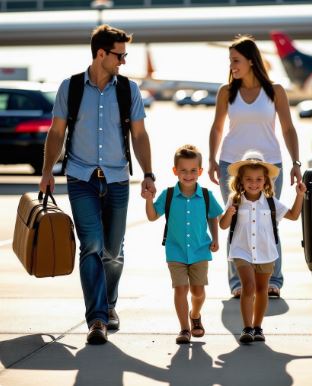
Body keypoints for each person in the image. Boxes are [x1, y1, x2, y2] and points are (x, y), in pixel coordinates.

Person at [39, 24, 156, 345]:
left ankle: (109, 304)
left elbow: (140, 135)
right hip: (81, 178)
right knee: (90, 247)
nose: (123, 61)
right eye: (120, 55)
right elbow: (57, 132)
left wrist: (148, 173)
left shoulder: (128, 90)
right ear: (101, 53)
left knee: (113, 252)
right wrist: (48, 170)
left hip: (118, 179)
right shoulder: (71, 87)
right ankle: (98, 319)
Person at [208, 35, 302, 299]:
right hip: (232, 164)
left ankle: (274, 279)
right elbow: (217, 127)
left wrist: (295, 163)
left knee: (269, 219)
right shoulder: (226, 92)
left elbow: (288, 128)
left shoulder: (275, 91)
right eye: (230, 61)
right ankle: (237, 283)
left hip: (269, 164)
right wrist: (212, 159)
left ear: (251, 61)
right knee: (236, 218)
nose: (232, 66)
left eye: (236, 60)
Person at [219, 151, 306, 343]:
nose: (254, 182)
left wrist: (300, 195)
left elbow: (293, 215)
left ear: (265, 180)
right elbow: (223, 225)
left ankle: (258, 327)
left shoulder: (270, 202)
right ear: (240, 180)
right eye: (249, 179)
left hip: (266, 252)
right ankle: (247, 327)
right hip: (242, 251)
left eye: (258, 179)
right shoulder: (235, 200)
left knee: (261, 290)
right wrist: (229, 213)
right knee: (248, 287)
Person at [143, 145, 223, 344]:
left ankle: (195, 314)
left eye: (193, 170)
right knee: (180, 289)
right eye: (184, 170)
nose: (188, 175)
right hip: (175, 250)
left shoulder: (206, 195)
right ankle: (184, 329)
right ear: (175, 171)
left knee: (198, 292)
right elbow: (153, 216)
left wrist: (215, 238)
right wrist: (149, 199)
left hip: (199, 250)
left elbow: (214, 216)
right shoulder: (168, 195)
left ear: (200, 172)